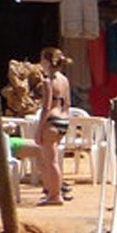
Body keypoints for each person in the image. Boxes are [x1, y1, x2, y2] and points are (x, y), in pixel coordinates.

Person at [33, 47, 73, 205]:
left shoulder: (48, 81)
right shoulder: (64, 80)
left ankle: (55, 195)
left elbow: (46, 107)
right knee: (53, 160)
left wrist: (39, 129)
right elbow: (67, 103)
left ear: (47, 62)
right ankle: (53, 192)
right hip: (63, 120)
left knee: (51, 161)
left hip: (52, 121)